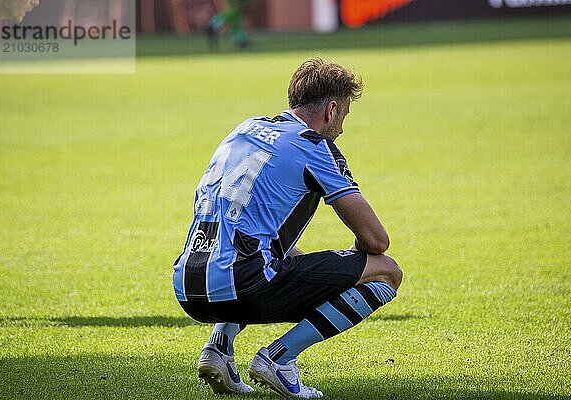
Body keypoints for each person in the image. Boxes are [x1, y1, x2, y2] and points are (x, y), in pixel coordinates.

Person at [172, 58, 403, 398]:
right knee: (386, 272)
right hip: (243, 282)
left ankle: (219, 348)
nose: (342, 129)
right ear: (331, 109)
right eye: (344, 117)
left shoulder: (244, 128)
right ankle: (279, 358)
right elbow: (376, 240)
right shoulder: (313, 145)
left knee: (268, 253)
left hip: (187, 284)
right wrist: (349, 264)